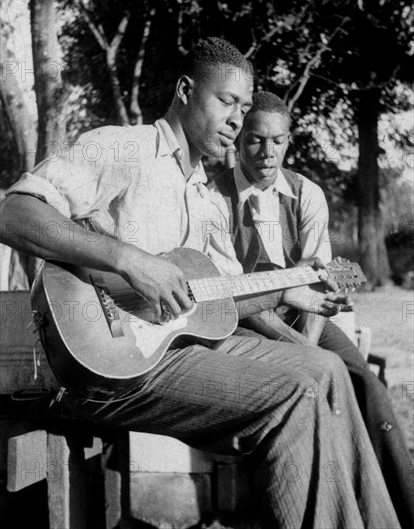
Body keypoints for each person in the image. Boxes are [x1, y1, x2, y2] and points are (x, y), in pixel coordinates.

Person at [0, 37, 402, 528]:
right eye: (226, 102)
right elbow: (15, 213)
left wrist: (286, 292)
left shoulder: (205, 197)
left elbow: (221, 298)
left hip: (177, 351)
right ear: (186, 91)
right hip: (108, 367)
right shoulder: (123, 148)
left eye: (246, 107)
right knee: (297, 392)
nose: (237, 119)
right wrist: (127, 259)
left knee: (327, 370)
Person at [209, 90, 414, 527]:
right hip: (243, 320)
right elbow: (235, 297)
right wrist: (302, 353)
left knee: (366, 387)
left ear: (289, 141)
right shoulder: (212, 198)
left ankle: (399, 511)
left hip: (305, 318)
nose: (267, 153)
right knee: (297, 387)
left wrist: (310, 344)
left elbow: (319, 280)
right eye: (255, 141)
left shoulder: (307, 194)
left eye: (278, 141)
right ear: (238, 140)